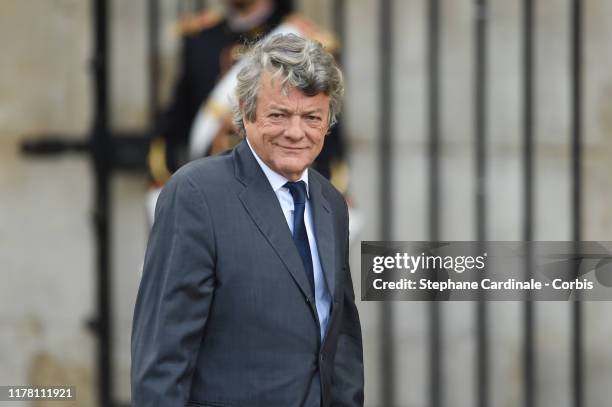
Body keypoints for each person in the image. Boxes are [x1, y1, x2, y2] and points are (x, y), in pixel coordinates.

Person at [131, 33, 364, 406]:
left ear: (328, 123)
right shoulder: (196, 195)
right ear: (246, 111)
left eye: (311, 117)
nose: (295, 131)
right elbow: (164, 353)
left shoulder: (330, 203)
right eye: (279, 114)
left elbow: (343, 342)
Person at [148, 0, 347, 187]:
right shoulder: (200, 38)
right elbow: (175, 126)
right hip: (210, 186)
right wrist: (168, 182)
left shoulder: (300, 37)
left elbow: (324, 133)